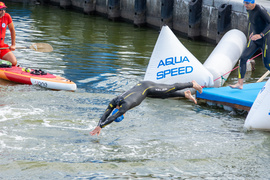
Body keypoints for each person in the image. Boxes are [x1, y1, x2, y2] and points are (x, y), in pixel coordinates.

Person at [90, 80, 203, 136]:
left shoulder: (125, 107)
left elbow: (113, 117)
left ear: (122, 114)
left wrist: (101, 126)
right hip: (142, 87)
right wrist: (99, 125)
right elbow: (107, 113)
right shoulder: (115, 101)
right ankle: (185, 94)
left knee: (170, 88)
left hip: (147, 87)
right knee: (161, 96)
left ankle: (192, 84)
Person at [230, 0, 270, 89]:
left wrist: (261, 35)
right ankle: (240, 84)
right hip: (255, 39)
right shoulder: (249, 9)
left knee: (267, 64)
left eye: (247, 3)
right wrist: (251, 32)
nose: (245, 5)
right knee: (243, 58)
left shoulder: (260, 10)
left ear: (253, 2)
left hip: (266, 39)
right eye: (244, 3)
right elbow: (251, 22)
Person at [0, 2, 17, 66]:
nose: (3, 11)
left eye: (4, 9)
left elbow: (12, 30)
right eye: (1, 10)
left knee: (13, 62)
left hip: (2, 47)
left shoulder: (7, 16)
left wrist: (13, 44)